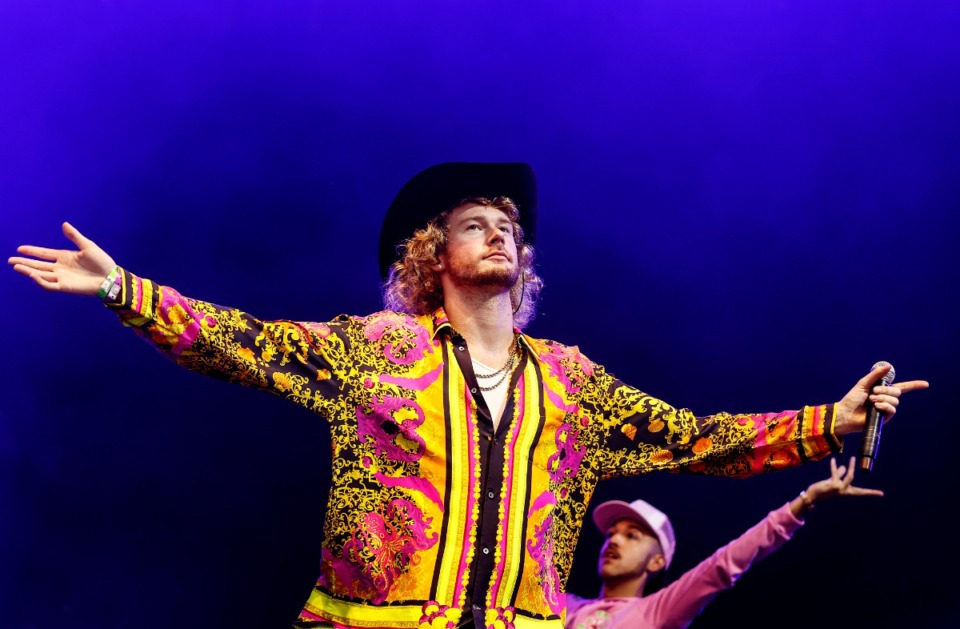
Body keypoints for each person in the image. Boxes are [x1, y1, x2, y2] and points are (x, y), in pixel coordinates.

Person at [7, 162, 928, 629]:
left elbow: (695, 437)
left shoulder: (571, 380)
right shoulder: (379, 348)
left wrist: (824, 423)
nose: (499, 237)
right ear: (431, 258)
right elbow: (244, 343)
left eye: (509, 230)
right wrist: (123, 288)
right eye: (475, 226)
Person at [565, 456, 880, 629]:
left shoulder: (655, 612)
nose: (615, 540)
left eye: (632, 535)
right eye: (611, 533)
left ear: (657, 561)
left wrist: (805, 501)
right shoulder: (559, 605)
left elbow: (723, 564)